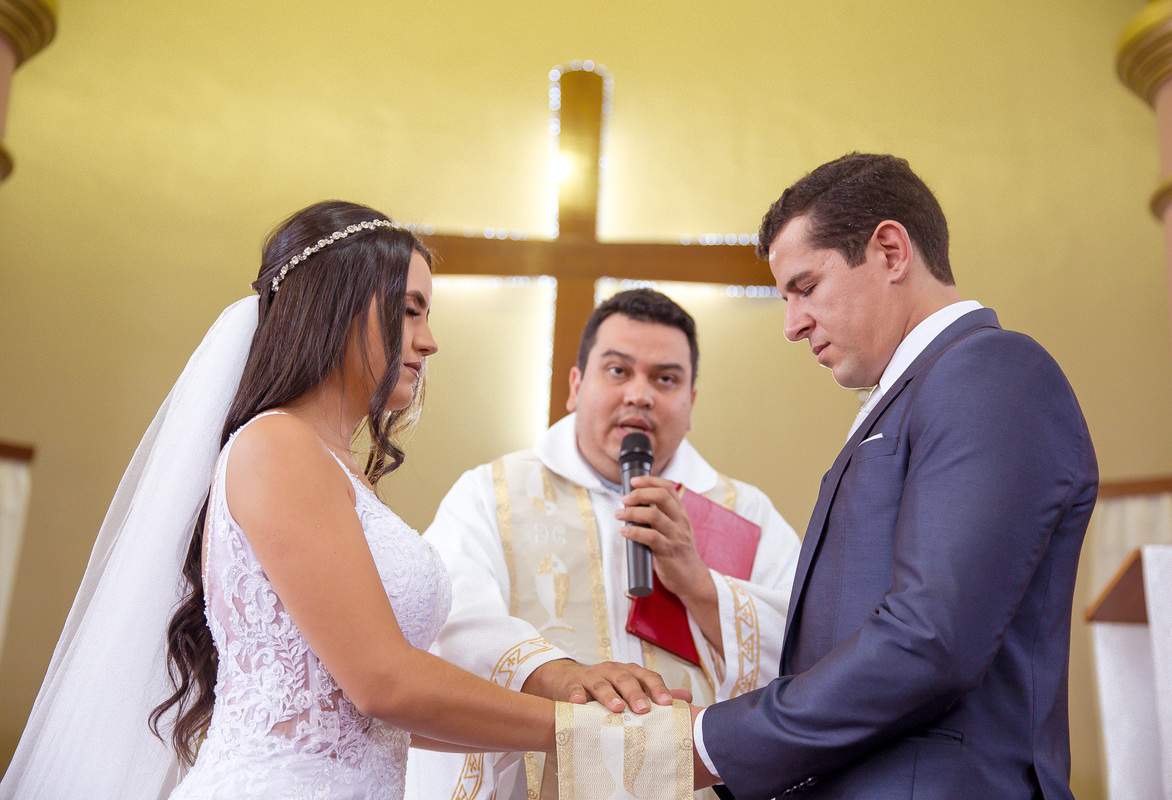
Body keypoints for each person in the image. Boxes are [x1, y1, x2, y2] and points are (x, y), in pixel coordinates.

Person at [0, 201, 675, 800]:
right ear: (338, 305)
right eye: (409, 310)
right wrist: (592, 734)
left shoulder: (339, 472)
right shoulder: (278, 447)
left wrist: (560, 704)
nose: (429, 340)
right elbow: (384, 682)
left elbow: (369, 718)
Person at [691, 154, 1099, 799]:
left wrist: (713, 745)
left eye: (805, 287)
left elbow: (931, 637)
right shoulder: (913, 395)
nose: (791, 325)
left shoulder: (990, 372)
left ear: (888, 251)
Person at [409, 289, 802, 800]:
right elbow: (450, 615)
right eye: (618, 371)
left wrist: (704, 590)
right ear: (576, 386)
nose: (640, 394)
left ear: (691, 403)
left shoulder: (742, 512)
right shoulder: (492, 493)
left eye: (666, 378)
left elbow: (810, 647)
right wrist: (560, 676)